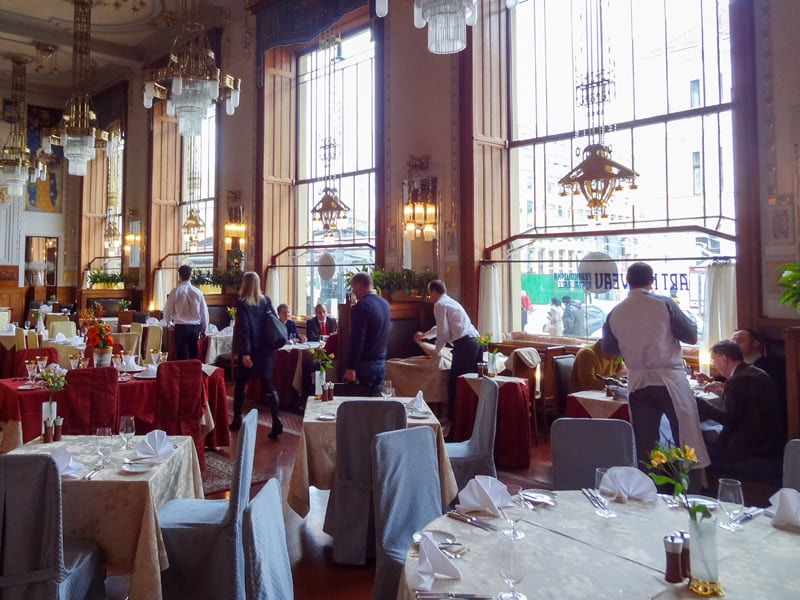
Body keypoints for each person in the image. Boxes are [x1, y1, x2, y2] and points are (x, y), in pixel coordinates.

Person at [602, 262, 709, 486]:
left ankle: (649, 491)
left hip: (638, 382)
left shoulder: (615, 311)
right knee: (686, 439)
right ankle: (690, 491)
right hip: (668, 378)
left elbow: (610, 353)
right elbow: (691, 337)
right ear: (652, 280)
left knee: (645, 444)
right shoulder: (664, 303)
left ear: (626, 281)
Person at [696, 340, 785, 480]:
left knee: (698, 449)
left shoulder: (737, 380)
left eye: (714, 360)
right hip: (769, 440)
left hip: (749, 446)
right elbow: (747, 404)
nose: (714, 365)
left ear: (724, 359)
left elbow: (729, 419)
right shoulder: (754, 372)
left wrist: (700, 404)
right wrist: (724, 392)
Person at [414, 279, 481, 421]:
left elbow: (443, 333)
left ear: (433, 291)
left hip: (466, 345)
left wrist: (436, 354)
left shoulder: (439, 304)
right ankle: (471, 421)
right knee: (472, 385)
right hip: (476, 343)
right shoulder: (450, 302)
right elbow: (440, 328)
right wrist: (425, 336)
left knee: (458, 384)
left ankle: (456, 423)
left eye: (429, 293)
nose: (429, 296)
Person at [230, 271, 283, 438]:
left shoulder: (242, 303)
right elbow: (274, 320)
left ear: (245, 284)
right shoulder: (266, 301)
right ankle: (277, 420)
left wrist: (244, 353)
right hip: (266, 350)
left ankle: (237, 417)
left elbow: (244, 328)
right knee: (268, 384)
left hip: (251, 351)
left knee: (240, 384)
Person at [343, 272, 390, 396]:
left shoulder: (362, 306)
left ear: (359, 286)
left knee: (361, 407)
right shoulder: (384, 304)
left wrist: (351, 367)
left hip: (365, 365)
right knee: (375, 404)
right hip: (381, 362)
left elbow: (357, 339)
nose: (353, 292)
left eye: (353, 288)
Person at [162, 265, 209, 360]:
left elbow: (167, 310)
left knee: (182, 358)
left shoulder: (175, 292)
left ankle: (184, 374)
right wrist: (204, 328)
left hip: (180, 328)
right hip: (195, 328)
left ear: (179, 276)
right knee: (193, 357)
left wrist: (169, 323)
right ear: (191, 275)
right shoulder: (197, 292)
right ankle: (192, 374)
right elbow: (204, 312)